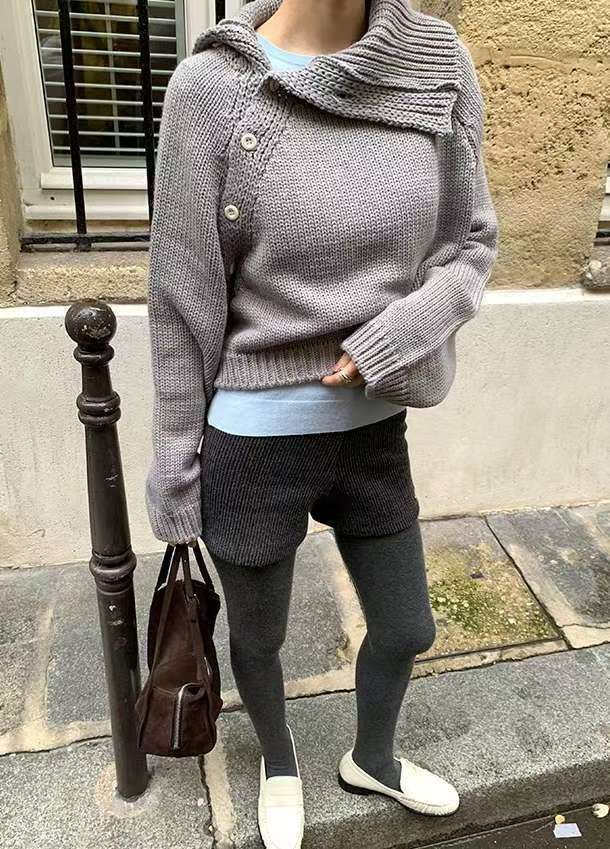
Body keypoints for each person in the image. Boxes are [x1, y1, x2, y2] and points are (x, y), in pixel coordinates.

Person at [144, 1, 500, 847]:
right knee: (259, 637)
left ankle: (373, 757)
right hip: (253, 440)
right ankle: (278, 763)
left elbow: (472, 244)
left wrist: (397, 337)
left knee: (407, 626)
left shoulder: (437, 64)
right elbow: (180, 297)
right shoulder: (213, 89)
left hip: (375, 431)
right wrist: (176, 466)